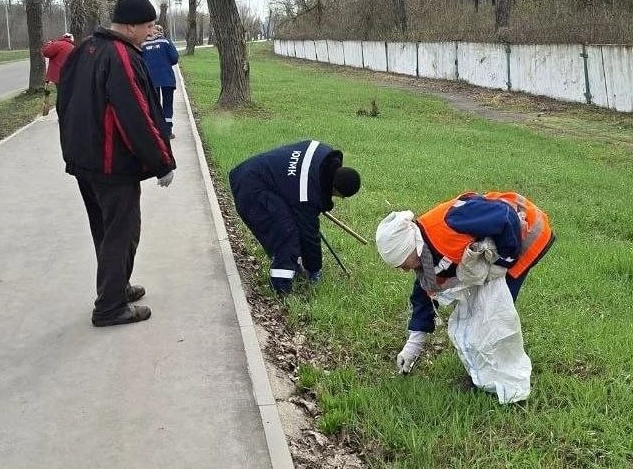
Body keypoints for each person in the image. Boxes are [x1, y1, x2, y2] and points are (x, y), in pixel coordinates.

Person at [57, 0, 176, 327]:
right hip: (111, 164)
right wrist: (161, 162)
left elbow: (63, 104)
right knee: (123, 232)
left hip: (86, 162)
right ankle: (110, 306)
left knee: (106, 231)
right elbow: (135, 114)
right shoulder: (120, 55)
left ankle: (116, 287)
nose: (152, 31)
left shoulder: (84, 49)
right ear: (130, 26)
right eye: (148, 25)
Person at [375, 191, 555, 374]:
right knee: (478, 312)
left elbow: (505, 215)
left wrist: (504, 261)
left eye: (403, 264)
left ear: (410, 249)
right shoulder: (423, 252)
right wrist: (414, 343)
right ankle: (482, 370)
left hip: (525, 233)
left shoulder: (452, 221)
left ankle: (499, 377)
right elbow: (426, 290)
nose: (404, 270)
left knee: (492, 311)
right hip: (503, 243)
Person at [228, 140, 361, 295]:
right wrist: (314, 269)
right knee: (286, 234)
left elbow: (295, 184)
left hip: (254, 172)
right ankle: (281, 290)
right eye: (338, 196)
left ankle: (294, 264)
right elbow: (309, 235)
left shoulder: (324, 153)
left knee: (291, 223)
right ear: (335, 189)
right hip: (250, 189)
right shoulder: (307, 195)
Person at [141, 25, 180, 138]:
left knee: (154, 105)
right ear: (161, 32)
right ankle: (167, 131)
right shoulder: (166, 42)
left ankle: (157, 131)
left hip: (151, 80)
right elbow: (174, 58)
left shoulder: (143, 44)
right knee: (167, 104)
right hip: (167, 78)